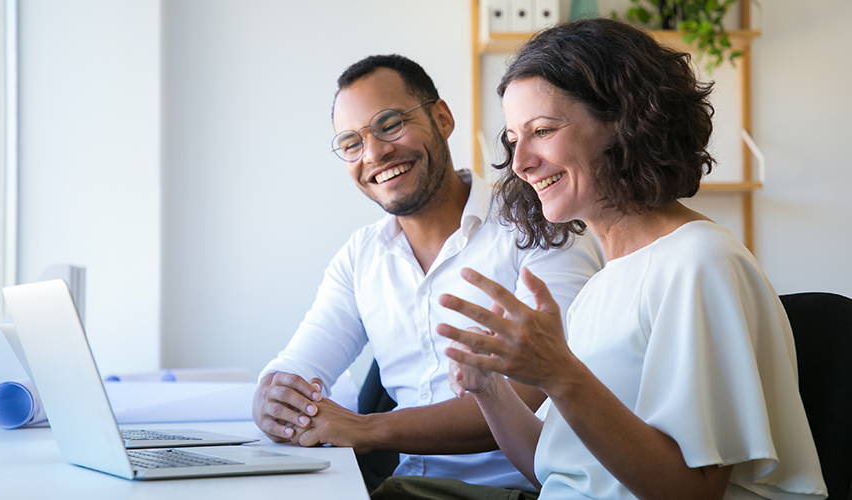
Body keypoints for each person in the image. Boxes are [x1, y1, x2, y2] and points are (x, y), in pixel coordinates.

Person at [397, 19, 827, 500]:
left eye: (542, 130)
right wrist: (488, 389)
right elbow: (562, 471)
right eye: (514, 139)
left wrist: (560, 372)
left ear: (625, 123)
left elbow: (691, 492)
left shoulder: (700, 262)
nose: (519, 163)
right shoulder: (603, 283)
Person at [252, 54, 605, 493]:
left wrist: (370, 429)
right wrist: (273, 398)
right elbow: (298, 365)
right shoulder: (362, 255)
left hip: (520, 490)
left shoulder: (541, 227)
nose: (375, 153)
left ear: (442, 117)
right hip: (403, 488)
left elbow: (536, 389)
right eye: (351, 143)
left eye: (390, 124)